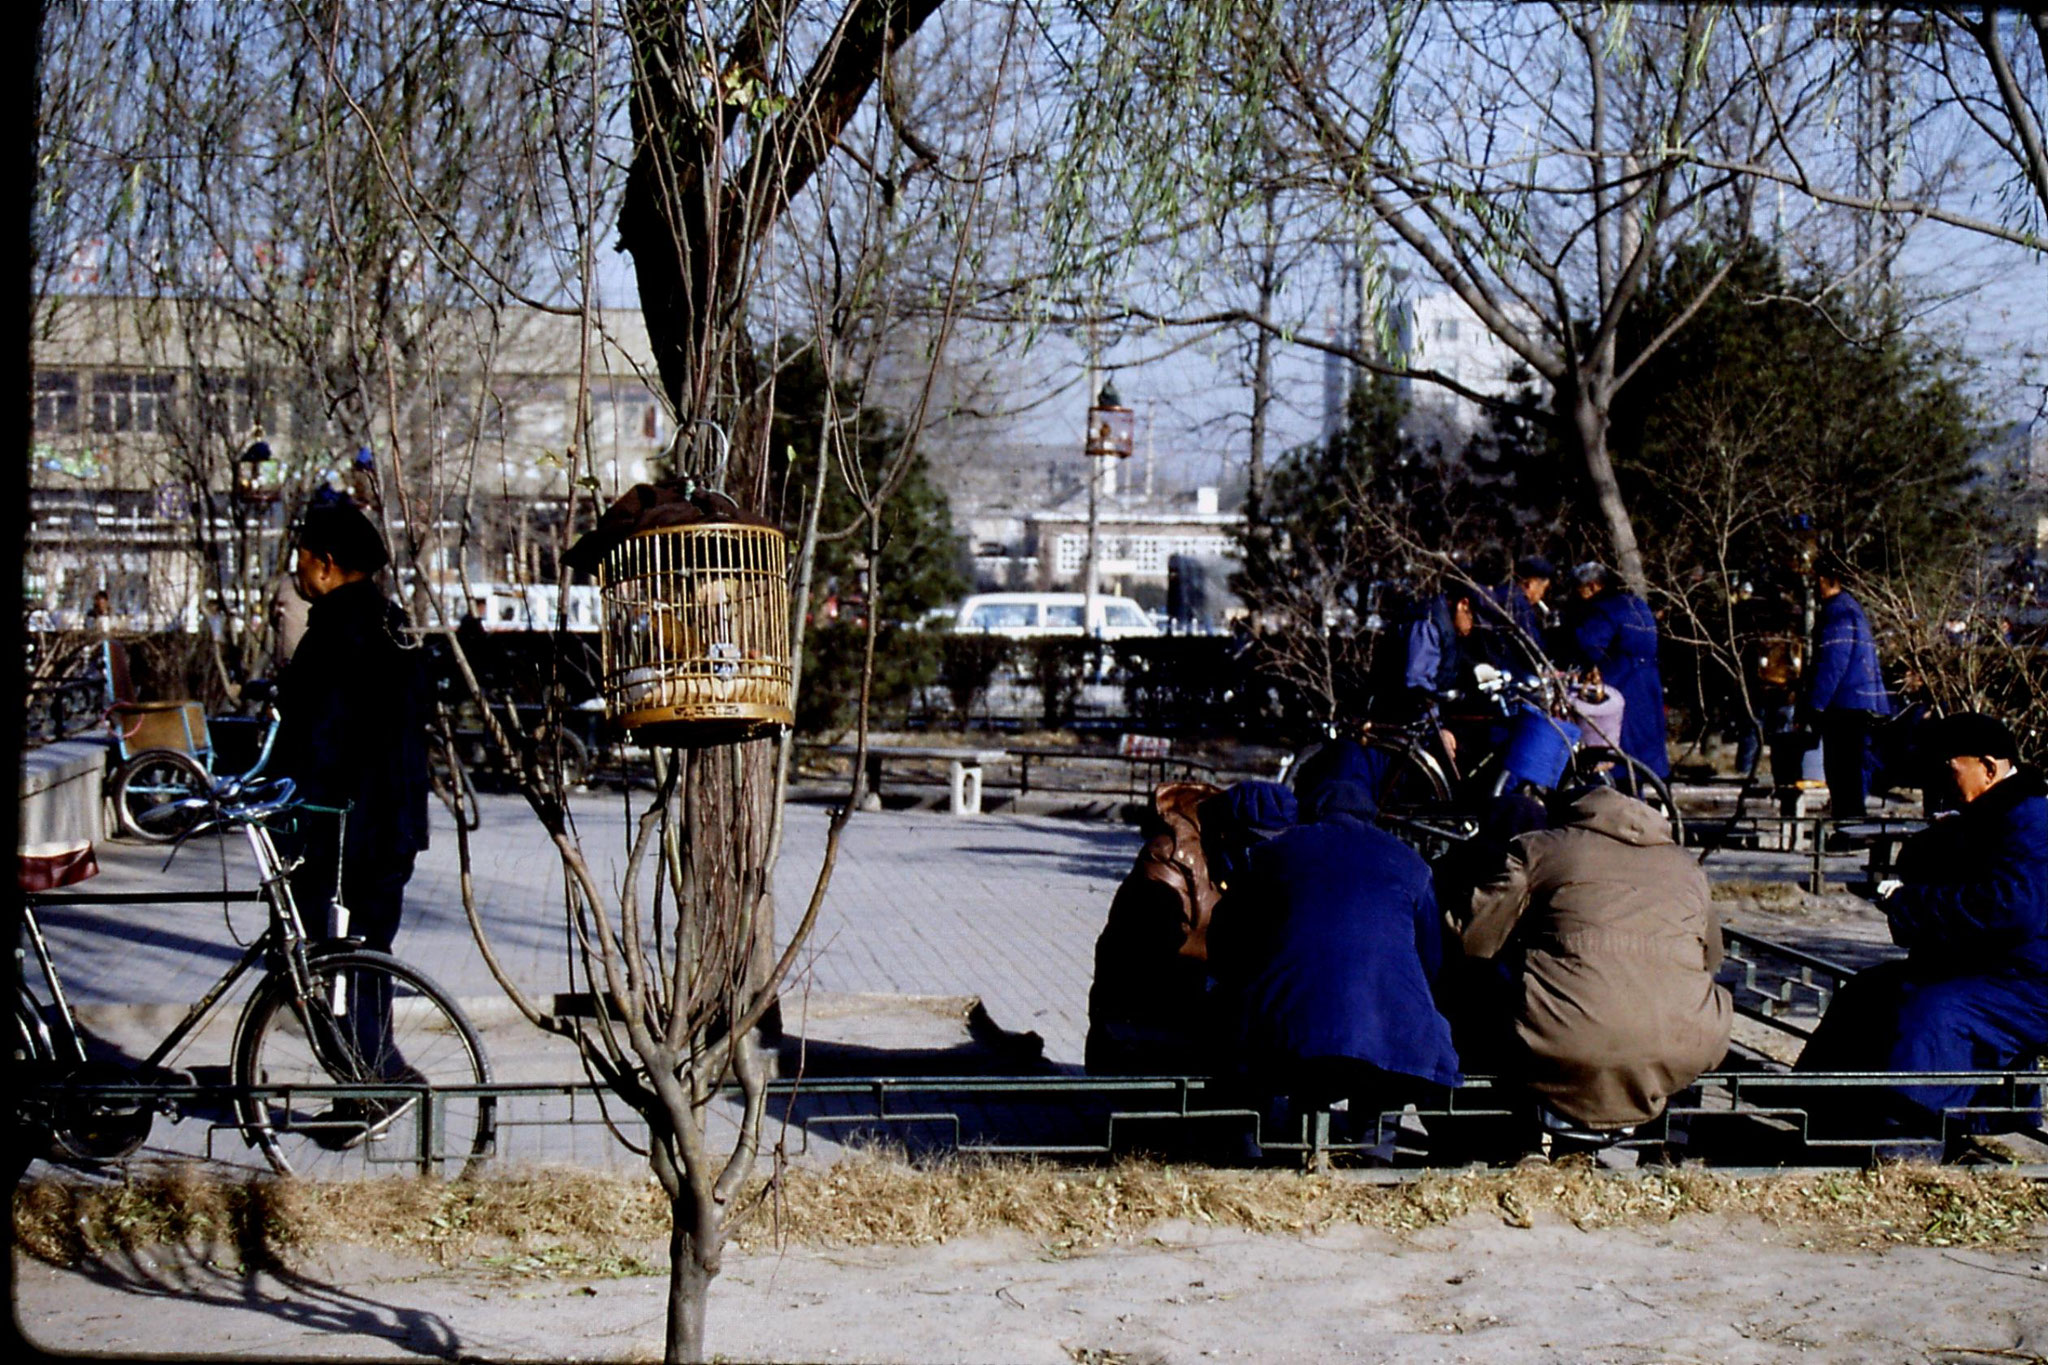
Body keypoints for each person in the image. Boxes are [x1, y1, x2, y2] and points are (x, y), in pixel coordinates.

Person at [1796, 713, 2048, 1143]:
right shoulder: (1991, 812)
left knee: (1933, 1012)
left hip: (2027, 980)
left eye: (1949, 768)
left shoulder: (2030, 819)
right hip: (1988, 965)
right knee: (1869, 992)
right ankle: (1819, 1106)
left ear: (1988, 767)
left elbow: (2010, 908)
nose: (1940, 781)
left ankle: (1909, 1130)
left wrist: (1909, 901)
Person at [272, 500, 433, 1139]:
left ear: (329, 565)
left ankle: (383, 1085)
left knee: (329, 961)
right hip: (392, 826)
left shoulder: (335, 633)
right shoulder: (393, 626)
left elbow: (320, 741)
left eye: (304, 559)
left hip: (343, 830)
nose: (300, 570)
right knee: (368, 956)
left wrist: (288, 807)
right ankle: (370, 1088)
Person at [1207, 740, 1461, 1134]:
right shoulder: (1411, 863)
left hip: (1293, 1027)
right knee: (1384, 1065)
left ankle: (1273, 1144)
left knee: (1292, 1042)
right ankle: (1374, 1149)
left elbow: (1230, 939)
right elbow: (1431, 959)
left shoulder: (1276, 853)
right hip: (1397, 1033)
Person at [1450, 787, 1732, 1138]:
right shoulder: (1686, 865)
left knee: (1472, 993)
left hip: (1565, 1040)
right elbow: (1713, 958)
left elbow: (1476, 941)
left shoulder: (1540, 849)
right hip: (1685, 1043)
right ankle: (1666, 1144)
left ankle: (1517, 1142)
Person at [1085, 779, 1297, 1075]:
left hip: (1195, 1009)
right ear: (1228, 832)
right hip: (1143, 1018)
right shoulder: (1168, 862)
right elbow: (1159, 964)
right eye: (1259, 843)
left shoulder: (1248, 863)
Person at [1801, 561, 1891, 820]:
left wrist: (1816, 703)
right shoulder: (1851, 610)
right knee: (1849, 772)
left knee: (1843, 773)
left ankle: (1849, 828)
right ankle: (1850, 826)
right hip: (1856, 701)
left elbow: (1833, 661)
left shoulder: (1839, 612)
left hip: (1845, 704)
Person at [1565, 563, 1670, 781]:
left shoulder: (1603, 610)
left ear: (1592, 586)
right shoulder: (1636, 604)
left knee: (1613, 760)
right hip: (1646, 688)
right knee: (1640, 765)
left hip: (1620, 687)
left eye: (1578, 589)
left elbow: (1587, 645)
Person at [1395, 585, 1479, 765]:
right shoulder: (1429, 624)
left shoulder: (1450, 628)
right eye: (1474, 619)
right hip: (1401, 717)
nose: (1473, 627)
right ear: (1463, 605)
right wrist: (1437, 729)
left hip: (1427, 717)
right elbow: (1418, 685)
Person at [1481, 555, 1555, 671]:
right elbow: (1532, 645)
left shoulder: (1502, 593)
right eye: (1543, 589)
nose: (1542, 595)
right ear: (1530, 584)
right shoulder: (1519, 604)